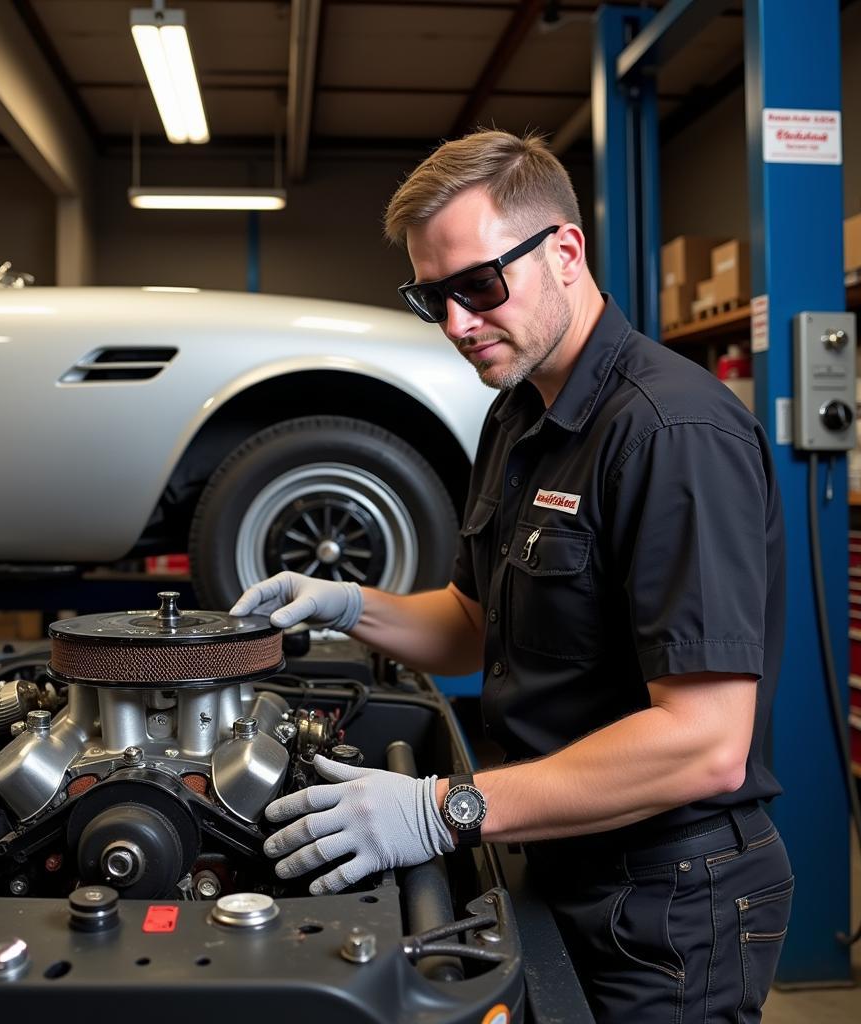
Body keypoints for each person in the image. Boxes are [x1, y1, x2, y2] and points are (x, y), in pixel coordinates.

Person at [231, 130, 792, 1023]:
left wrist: (438, 809)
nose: (457, 324)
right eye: (432, 298)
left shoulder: (672, 433)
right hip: (553, 845)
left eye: (480, 287)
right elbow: (471, 621)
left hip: (670, 896)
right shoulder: (518, 414)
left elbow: (708, 742)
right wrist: (345, 606)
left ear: (565, 252)